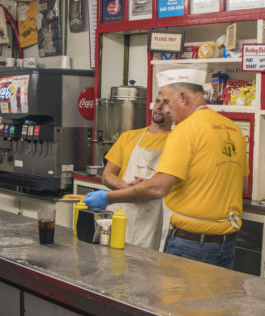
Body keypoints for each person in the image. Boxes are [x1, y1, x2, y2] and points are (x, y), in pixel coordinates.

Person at [84, 69, 249, 269]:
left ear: (184, 98)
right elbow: (240, 184)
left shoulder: (185, 130)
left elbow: (158, 188)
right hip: (226, 243)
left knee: (175, 300)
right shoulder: (233, 129)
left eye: (168, 103)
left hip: (191, 244)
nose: (166, 110)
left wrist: (107, 198)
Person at [102, 93, 173, 250]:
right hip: (122, 214)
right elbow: (107, 175)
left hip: (153, 220)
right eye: (158, 101)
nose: (159, 106)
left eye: (166, 103)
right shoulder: (129, 136)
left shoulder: (176, 142)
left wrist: (139, 190)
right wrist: (128, 189)